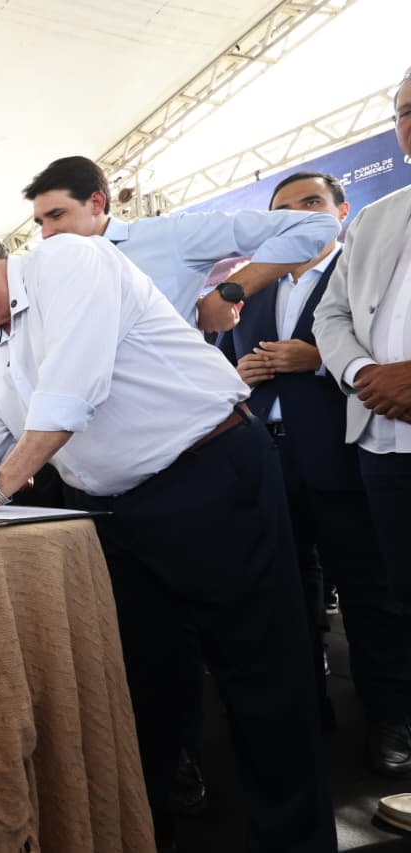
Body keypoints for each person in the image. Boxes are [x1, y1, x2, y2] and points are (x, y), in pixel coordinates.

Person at [0, 220, 333, 852]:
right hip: (118, 512)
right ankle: (144, 836)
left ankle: (295, 840)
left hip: (209, 474)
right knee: (140, 688)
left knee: (260, 675)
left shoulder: (66, 262)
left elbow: (71, 390)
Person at [219, 171, 395, 742]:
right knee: (282, 596)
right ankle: (304, 716)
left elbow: (387, 356)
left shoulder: (365, 274)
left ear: (342, 212)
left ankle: (390, 720)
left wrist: (318, 360)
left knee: (369, 594)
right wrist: (237, 375)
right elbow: (214, 365)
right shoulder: (248, 291)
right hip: (263, 461)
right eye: (285, 208)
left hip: (344, 458)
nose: (299, 215)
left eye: (312, 202)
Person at [314, 67, 411, 797]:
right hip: (382, 444)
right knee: (396, 600)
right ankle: (398, 721)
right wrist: (361, 373)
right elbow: (333, 314)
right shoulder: (377, 217)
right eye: (405, 110)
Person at [23, 155, 340, 332]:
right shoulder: (49, 277)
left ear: (96, 203)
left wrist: (228, 292)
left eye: (56, 215)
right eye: (40, 223)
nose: (47, 233)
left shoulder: (170, 235)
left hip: (188, 422)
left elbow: (317, 225)